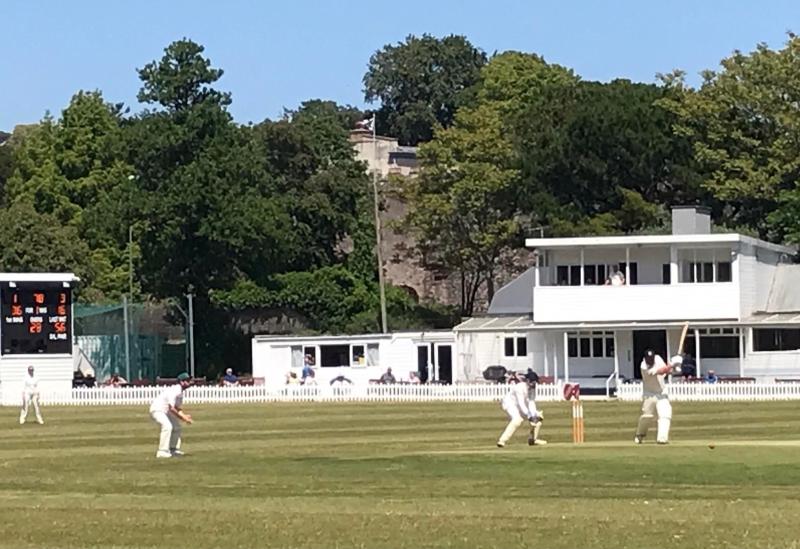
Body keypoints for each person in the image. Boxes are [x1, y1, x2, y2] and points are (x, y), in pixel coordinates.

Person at [634, 349, 677, 445]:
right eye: (648, 359)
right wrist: (672, 364)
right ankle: (640, 435)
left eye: (651, 359)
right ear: (645, 359)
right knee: (647, 416)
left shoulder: (658, 359)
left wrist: (674, 368)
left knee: (665, 414)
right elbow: (660, 371)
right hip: (649, 395)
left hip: (661, 393)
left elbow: (666, 370)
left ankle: (662, 438)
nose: (650, 361)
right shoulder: (644, 367)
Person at [149, 372, 193, 458]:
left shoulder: (180, 392)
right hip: (157, 409)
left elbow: (177, 408)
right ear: (181, 382)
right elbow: (171, 408)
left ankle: (173, 449)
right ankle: (162, 451)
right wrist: (183, 418)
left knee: (177, 427)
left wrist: (184, 416)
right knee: (167, 426)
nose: (190, 382)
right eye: (187, 380)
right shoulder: (175, 390)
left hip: (166, 411)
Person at [497, 370, 546, 447]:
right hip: (510, 403)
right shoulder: (519, 388)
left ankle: (533, 440)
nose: (534, 384)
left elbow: (531, 402)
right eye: (532, 382)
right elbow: (521, 404)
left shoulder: (532, 388)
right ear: (527, 380)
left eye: (535, 382)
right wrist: (530, 417)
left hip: (520, 404)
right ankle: (502, 441)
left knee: (538, 417)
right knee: (517, 420)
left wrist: (533, 416)